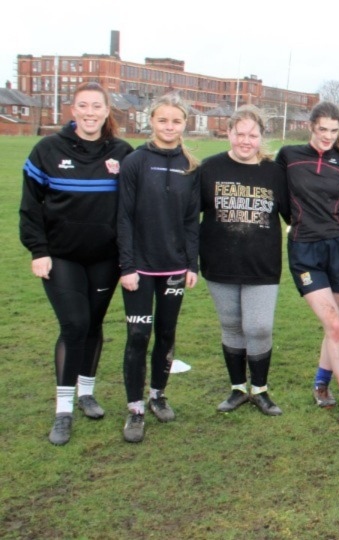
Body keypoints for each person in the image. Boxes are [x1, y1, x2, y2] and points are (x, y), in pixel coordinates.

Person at [20, 82, 134, 445]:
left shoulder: (121, 152)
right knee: (74, 325)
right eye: (82, 106)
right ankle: (63, 410)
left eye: (96, 106)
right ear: (73, 110)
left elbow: (134, 207)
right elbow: (30, 207)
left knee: (94, 324)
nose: (89, 112)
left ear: (106, 111)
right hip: (62, 257)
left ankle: (86, 392)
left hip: (105, 258)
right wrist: (38, 251)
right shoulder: (47, 150)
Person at [116, 93, 200, 443]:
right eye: (163, 120)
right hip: (139, 269)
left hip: (173, 268)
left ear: (184, 124)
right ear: (151, 121)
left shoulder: (190, 166)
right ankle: (135, 407)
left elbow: (191, 221)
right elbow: (123, 216)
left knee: (166, 334)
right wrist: (127, 265)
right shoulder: (135, 161)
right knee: (138, 336)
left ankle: (157, 395)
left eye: (176, 121)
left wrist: (190, 264)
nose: (169, 126)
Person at [198, 105, 290, 416]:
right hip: (219, 262)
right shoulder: (209, 168)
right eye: (240, 134)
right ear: (229, 133)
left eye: (253, 135)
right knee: (232, 325)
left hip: (261, 265)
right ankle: (238, 388)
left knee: (259, 327)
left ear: (261, 137)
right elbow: (187, 215)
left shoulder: (274, 173)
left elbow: (293, 213)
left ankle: (261, 390)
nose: (246, 141)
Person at [277, 101, 339, 426]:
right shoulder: (289, 156)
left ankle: (320, 382)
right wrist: (295, 219)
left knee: (335, 323)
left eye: (334, 130)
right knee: (335, 325)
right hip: (304, 248)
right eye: (322, 129)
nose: (327, 136)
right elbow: (280, 196)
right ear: (311, 126)